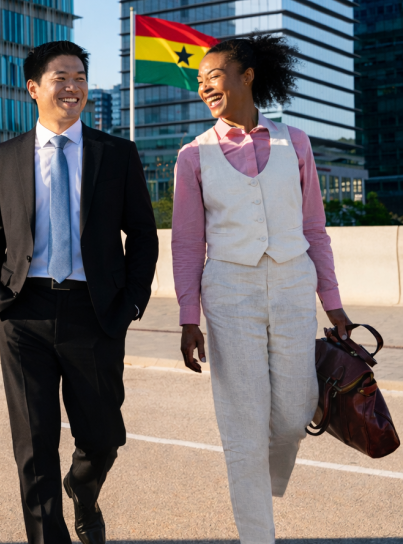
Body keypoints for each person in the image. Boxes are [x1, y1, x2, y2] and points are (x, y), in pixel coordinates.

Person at [0, 41, 158, 544]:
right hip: (22, 310)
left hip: (94, 311)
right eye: (61, 77)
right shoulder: (3, 157)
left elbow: (142, 233)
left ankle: (83, 486)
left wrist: (132, 303)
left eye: (80, 76)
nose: (73, 86)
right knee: (33, 444)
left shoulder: (116, 154)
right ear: (33, 88)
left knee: (102, 437)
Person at [172, 35, 352, 543]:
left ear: (247, 75)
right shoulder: (193, 156)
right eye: (200, 81)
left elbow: (315, 228)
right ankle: (257, 533)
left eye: (214, 75)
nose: (205, 86)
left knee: (297, 412)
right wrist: (190, 317)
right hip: (229, 291)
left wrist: (333, 305)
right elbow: (187, 244)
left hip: (295, 284)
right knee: (242, 426)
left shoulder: (294, 142)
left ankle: (260, 481)